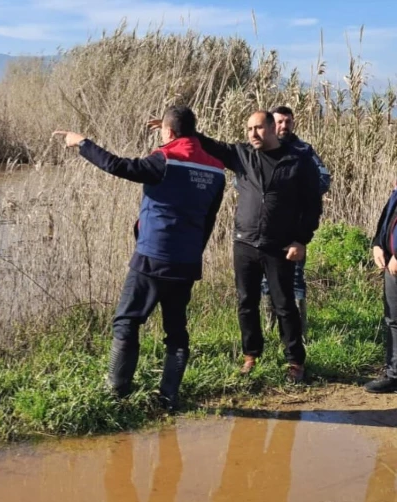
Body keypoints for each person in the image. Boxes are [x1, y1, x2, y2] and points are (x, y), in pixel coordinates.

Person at [53, 105, 225, 411]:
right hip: (186, 263)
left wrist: (81, 142)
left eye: (165, 130)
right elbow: (210, 219)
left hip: (153, 257)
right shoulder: (216, 169)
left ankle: (117, 393)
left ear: (168, 131)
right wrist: (193, 253)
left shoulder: (165, 159)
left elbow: (119, 166)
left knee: (127, 322)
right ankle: (168, 398)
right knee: (176, 330)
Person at [195, 111, 323, 383]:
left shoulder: (297, 161)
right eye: (249, 128)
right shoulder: (242, 155)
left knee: (284, 304)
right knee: (246, 302)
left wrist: (301, 239)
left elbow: (313, 205)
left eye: (258, 128)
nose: (253, 133)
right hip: (245, 242)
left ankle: (295, 362)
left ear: (272, 128)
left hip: (280, 246)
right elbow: (211, 144)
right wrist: (182, 130)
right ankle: (251, 355)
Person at [261, 106, 331, 334]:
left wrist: (297, 192)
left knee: (296, 278)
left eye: (287, 122)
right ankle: (270, 328)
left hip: (294, 229)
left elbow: (324, 179)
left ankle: (299, 332)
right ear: (271, 124)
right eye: (279, 122)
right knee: (265, 280)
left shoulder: (304, 150)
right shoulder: (261, 148)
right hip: (265, 228)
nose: (283, 126)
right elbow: (244, 181)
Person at [365, 184, 397, 393]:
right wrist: (378, 244)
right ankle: (394, 374)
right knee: (393, 319)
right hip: (391, 266)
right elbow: (387, 218)